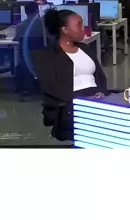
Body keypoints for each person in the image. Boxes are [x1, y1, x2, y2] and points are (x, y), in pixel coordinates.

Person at [32, 9, 108, 141]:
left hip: (96, 99)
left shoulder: (86, 49)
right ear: (65, 30)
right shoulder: (46, 56)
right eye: (79, 25)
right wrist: (82, 100)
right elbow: (49, 86)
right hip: (69, 104)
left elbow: (100, 77)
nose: (83, 28)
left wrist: (102, 93)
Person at [14, 2, 46, 96]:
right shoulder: (44, 25)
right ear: (38, 10)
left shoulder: (20, 26)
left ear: (25, 12)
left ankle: (24, 87)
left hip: (26, 58)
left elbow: (17, 39)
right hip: (42, 57)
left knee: (18, 64)